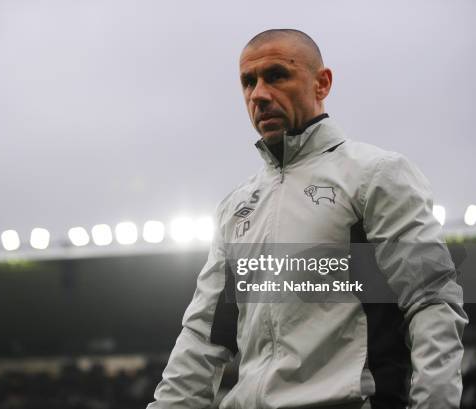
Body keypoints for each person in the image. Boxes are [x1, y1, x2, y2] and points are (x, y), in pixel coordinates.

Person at [146, 29, 467, 409]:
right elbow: (204, 337)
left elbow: (431, 301)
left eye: (277, 75)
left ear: (322, 83)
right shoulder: (236, 206)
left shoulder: (375, 175)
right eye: (248, 82)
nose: (259, 95)